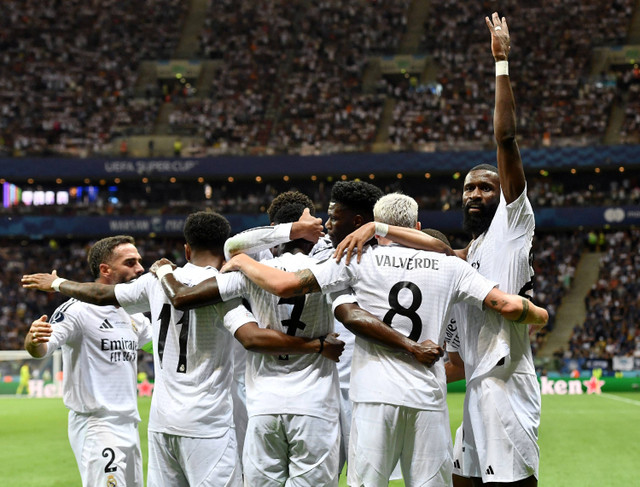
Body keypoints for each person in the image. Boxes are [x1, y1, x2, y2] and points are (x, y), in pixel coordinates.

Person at [334, 13, 542, 486]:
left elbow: (505, 139)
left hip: (506, 385)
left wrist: (502, 63)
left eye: (485, 188)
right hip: (474, 388)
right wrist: (380, 228)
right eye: (468, 189)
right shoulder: (469, 254)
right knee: (458, 480)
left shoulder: (514, 224)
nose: (474, 194)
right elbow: (440, 250)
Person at [218, 193, 548, 487]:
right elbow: (505, 303)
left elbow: (284, 285)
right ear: (416, 225)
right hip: (426, 397)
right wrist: (540, 315)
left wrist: (244, 260)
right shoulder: (450, 265)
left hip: (370, 395)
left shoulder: (354, 258)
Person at [22, 212, 343, 486]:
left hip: (161, 425)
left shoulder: (155, 282)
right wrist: (314, 345)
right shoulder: (221, 288)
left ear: (186, 248)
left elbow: (103, 295)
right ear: (225, 248)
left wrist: (57, 283)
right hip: (208, 424)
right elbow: (253, 338)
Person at [223, 181, 386, 477]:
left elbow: (232, 247)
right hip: (318, 390)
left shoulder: (255, 262)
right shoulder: (327, 258)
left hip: (278, 395)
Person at [24, 235, 152, 487]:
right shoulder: (78, 310)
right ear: (105, 270)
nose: (140, 268)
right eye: (130, 262)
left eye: (139, 261)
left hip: (130, 423)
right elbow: (42, 349)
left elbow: (158, 347)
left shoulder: (134, 314)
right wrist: (33, 339)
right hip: (96, 425)